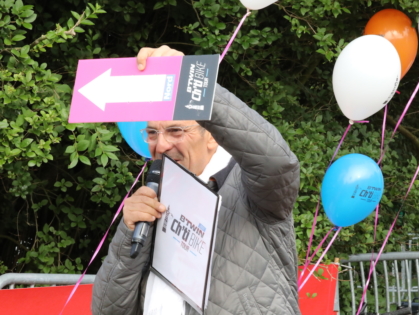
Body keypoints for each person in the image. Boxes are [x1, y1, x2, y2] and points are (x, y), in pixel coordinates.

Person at [92, 46, 301, 315]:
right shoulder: (154, 202)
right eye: (152, 132)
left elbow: (277, 161)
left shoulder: (250, 187)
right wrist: (129, 229)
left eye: (176, 131)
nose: (161, 145)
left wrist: (193, 82)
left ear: (213, 135)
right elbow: (106, 310)